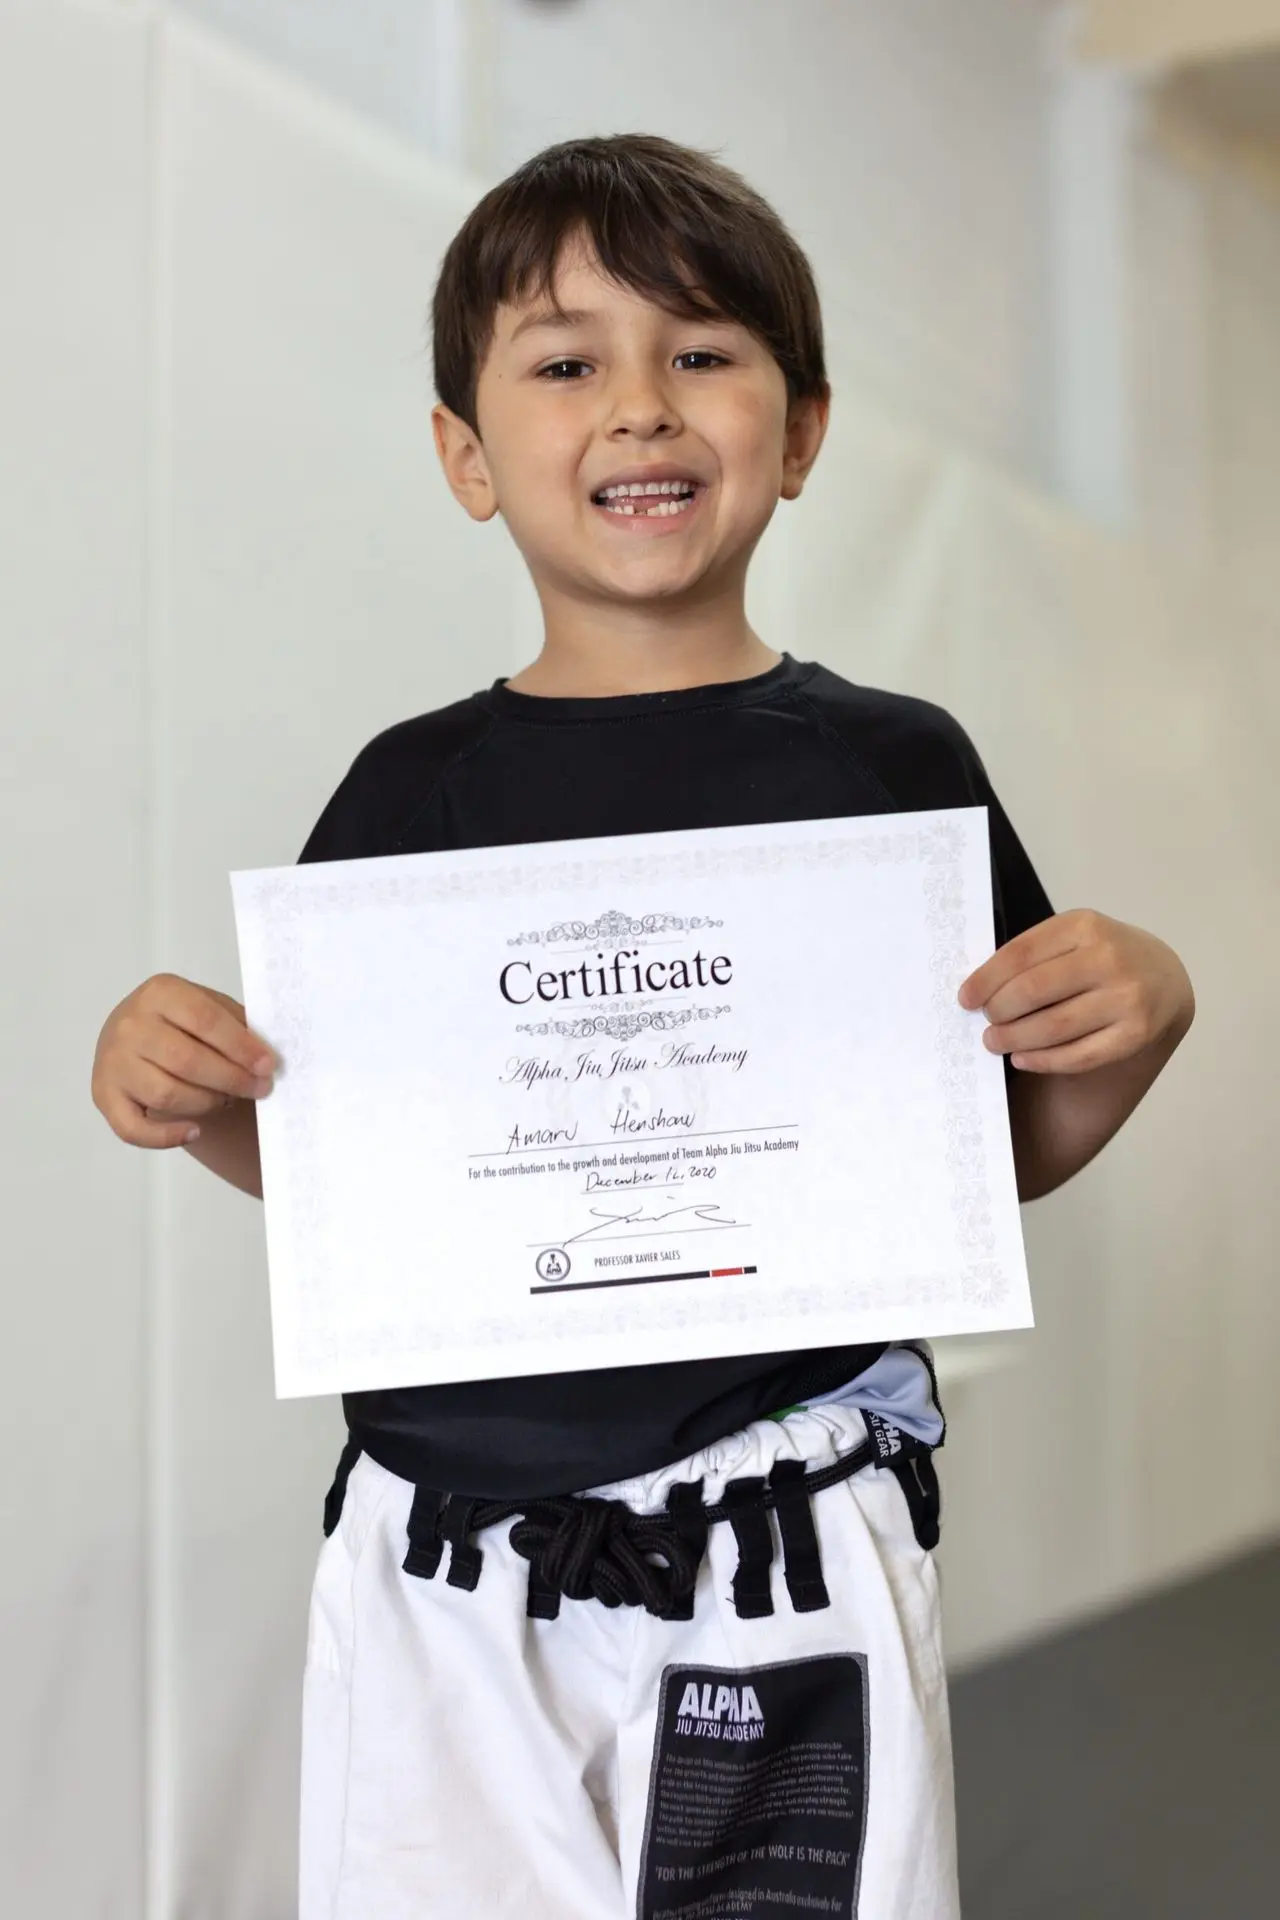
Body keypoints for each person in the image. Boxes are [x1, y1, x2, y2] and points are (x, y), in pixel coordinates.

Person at [91, 133, 1195, 1918]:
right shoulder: (408, 796)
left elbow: (988, 1167)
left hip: (783, 1539)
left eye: (702, 353)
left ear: (803, 427)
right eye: (563, 362)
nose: (639, 408)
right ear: (466, 453)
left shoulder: (890, 773)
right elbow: (364, 1182)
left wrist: (1138, 1023)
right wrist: (192, 1089)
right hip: (454, 1557)